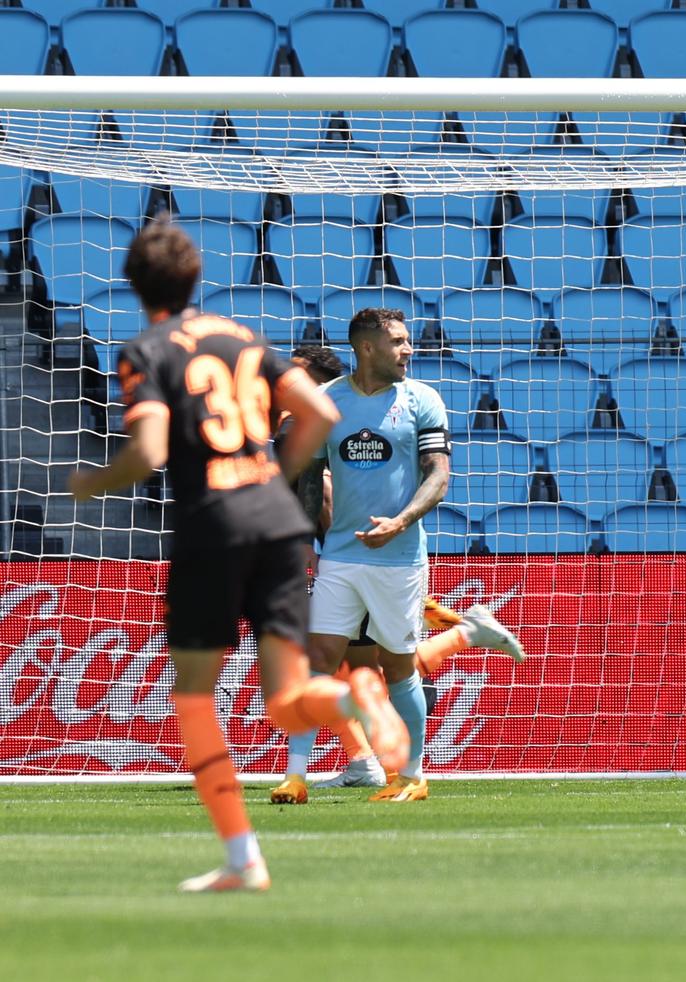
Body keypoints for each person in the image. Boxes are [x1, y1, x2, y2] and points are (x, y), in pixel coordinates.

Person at [66, 219, 406, 892]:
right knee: (286, 702)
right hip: (278, 524)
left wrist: (92, 482)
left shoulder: (146, 350)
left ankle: (243, 856)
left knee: (194, 695)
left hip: (213, 526)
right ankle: (355, 695)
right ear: (196, 277)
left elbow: (152, 453)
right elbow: (320, 413)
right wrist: (275, 477)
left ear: (134, 285)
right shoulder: (242, 337)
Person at [270, 347, 523, 803]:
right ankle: (363, 758)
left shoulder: (319, 424)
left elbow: (323, 497)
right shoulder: (296, 426)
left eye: (295, 378)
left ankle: (375, 759)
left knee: (363, 667)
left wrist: (320, 558)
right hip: (346, 565)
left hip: (356, 562)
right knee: (351, 666)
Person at [296, 308, 457, 804]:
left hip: (400, 556)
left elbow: (439, 474)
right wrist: (304, 541)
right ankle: (294, 776)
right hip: (341, 557)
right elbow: (308, 478)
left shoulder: (422, 400)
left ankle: (411, 775)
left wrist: (401, 521)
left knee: (398, 667)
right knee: (319, 661)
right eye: (399, 342)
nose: (409, 350)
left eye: (408, 341)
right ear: (367, 348)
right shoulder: (327, 402)